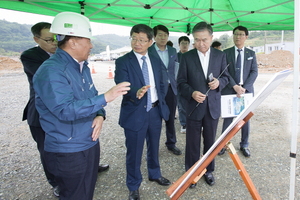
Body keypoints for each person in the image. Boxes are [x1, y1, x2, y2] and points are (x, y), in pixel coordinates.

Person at [33, 12, 130, 200]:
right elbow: (65, 109)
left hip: (88, 142)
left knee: (86, 192)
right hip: (68, 149)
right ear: (73, 42)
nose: (92, 45)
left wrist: (100, 115)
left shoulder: (81, 66)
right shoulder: (52, 71)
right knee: (75, 195)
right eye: (88, 40)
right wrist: (106, 97)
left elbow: (92, 97)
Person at [114, 24, 171, 200]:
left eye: (141, 40)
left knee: (154, 147)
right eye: (133, 38)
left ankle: (154, 173)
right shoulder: (123, 61)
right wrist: (136, 92)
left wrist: (160, 101)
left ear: (150, 42)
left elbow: (162, 83)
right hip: (135, 112)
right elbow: (121, 83)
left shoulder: (154, 59)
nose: (136, 43)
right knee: (134, 151)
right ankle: (133, 185)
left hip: (154, 111)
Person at [177, 21, 229, 188]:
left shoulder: (220, 55)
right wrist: (192, 93)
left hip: (212, 107)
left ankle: (208, 170)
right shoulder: (186, 57)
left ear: (211, 37)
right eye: (197, 40)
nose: (201, 43)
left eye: (204, 39)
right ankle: (191, 172)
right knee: (192, 142)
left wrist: (219, 82)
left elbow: (226, 77)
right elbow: (180, 83)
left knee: (210, 141)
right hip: (194, 107)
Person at [20, 22, 60, 197]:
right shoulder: (30, 56)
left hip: (64, 109)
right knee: (48, 150)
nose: (54, 43)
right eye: (49, 40)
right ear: (36, 39)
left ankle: (85, 168)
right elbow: (48, 78)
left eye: (57, 38)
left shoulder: (61, 52)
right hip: (41, 111)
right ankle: (56, 182)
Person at [218, 26, 258, 157]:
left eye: (241, 34)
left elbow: (254, 72)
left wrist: (244, 87)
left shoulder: (251, 54)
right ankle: (223, 144)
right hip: (230, 90)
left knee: (245, 119)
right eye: (235, 34)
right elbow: (224, 72)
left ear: (246, 37)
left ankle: (244, 144)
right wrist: (235, 86)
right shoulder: (226, 52)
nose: (238, 37)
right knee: (228, 119)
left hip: (245, 91)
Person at [148, 25, 182, 156]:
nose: (162, 37)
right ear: (154, 37)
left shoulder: (173, 50)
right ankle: (153, 146)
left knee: (170, 118)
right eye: (160, 35)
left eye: (165, 35)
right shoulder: (149, 51)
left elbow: (176, 68)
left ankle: (171, 143)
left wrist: (176, 83)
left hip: (171, 89)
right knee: (155, 119)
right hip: (155, 90)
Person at [177, 36, 190, 134]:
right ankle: (184, 123)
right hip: (179, 83)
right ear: (179, 45)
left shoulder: (192, 55)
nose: (184, 45)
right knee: (181, 105)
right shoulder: (176, 56)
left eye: (186, 43)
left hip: (191, 83)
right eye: (182, 43)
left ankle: (193, 122)